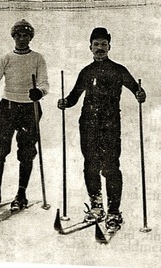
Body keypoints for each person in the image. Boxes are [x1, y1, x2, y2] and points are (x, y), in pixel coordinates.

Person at [57, 27, 146, 232]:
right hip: (87, 123)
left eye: (103, 45)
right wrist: (64, 102)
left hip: (110, 125)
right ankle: (97, 207)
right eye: (96, 44)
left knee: (110, 167)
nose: (100, 48)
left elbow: (135, 89)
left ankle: (114, 210)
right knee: (90, 165)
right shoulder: (86, 71)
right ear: (90, 47)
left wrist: (140, 93)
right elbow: (73, 97)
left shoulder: (118, 69)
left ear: (109, 47)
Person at [0, 19, 49, 216]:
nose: (22, 39)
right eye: (18, 35)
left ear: (30, 37)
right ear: (13, 37)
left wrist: (39, 92)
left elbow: (44, 83)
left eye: (26, 35)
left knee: (26, 152)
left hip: (29, 109)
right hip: (7, 108)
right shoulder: (6, 58)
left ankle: (21, 194)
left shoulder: (37, 59)